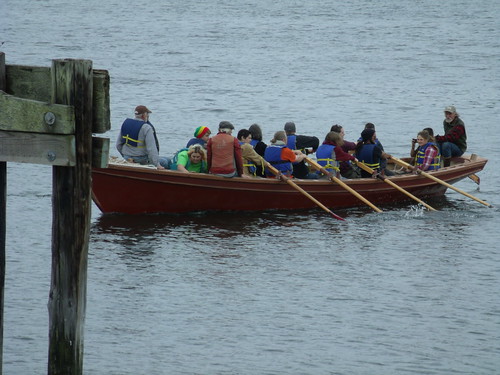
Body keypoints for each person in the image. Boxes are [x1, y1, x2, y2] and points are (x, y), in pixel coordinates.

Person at [116, 105, 169, 170]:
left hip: (126, 157)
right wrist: (157, 165)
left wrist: (125, 156)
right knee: (166, 161)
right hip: (141, 159)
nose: (148, 116)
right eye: (147, 114)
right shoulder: (146, 127)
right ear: (144, 115)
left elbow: (118, 145)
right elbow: (151, 149)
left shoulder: (126, 124)